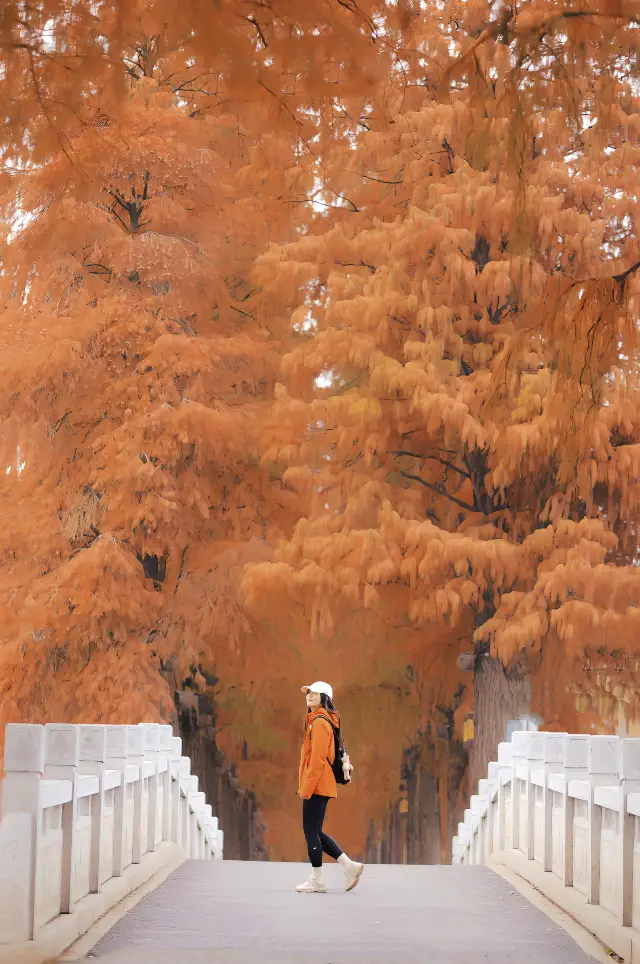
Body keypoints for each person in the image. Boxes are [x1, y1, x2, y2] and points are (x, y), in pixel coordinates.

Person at [296, 680, 364, 894]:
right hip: (321, 782)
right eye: (308, 693)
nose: (309, 695)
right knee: (315, 831)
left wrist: (306, 788)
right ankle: (349, 866)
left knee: (311, 831)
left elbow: (316, 760)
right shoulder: (320, 720)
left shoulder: (319, 722)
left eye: (314, 693)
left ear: (325, 698)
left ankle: (317, 880)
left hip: (317, 783)